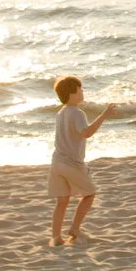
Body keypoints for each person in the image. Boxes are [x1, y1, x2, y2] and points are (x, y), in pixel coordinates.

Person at [47, 75, 114, 246]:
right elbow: (86, 132)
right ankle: (75, 229)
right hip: (71, 163)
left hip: (57, 161)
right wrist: (104, 115)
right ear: (71, 94)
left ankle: (56, 237)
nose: (82, 92)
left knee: (62, 201)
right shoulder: (77, 112)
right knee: (89, 194)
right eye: (80, 89)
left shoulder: (60, 113)